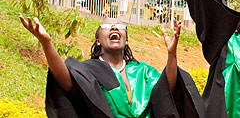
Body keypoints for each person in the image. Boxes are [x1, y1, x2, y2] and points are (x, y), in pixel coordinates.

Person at [19, 15, 205, 118]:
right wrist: (46, 44)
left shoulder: (142, 72)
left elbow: (166, 90)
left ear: (126, 40)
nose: (115, 28)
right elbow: (66, 82)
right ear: (98, 40)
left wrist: (171, 53)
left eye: (119, 26)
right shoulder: (88, 71)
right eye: (108, 26)